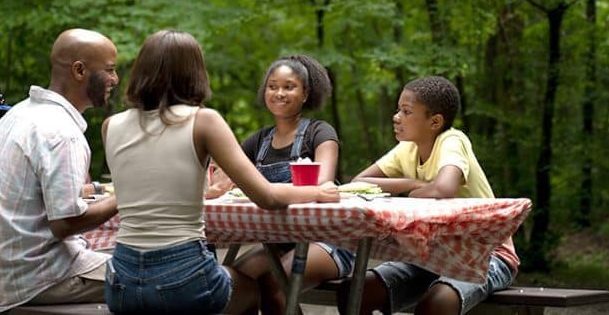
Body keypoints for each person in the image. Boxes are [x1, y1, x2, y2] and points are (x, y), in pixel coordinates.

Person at [102, 31, 339, 315]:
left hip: (121, 282)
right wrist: (317, 191)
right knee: (250, 289)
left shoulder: (110, 125)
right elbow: (268, 198)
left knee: (242, 275)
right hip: (182, 278)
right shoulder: (205, 121)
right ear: (194, 73)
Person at [337, 76, 519, 315]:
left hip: (487, 253)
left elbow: (444, 189)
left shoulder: (452, 140)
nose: (396, 117)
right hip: (434, 254)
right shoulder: (407, 148)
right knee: (356, 291)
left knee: (438, 303)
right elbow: (359, 183)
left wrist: (413, 189)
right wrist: (413, 183)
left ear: (434, 122)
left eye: (406, 111)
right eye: (398, 109)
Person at [0, 29, 120, 313]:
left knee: (124, 255)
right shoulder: (62, 133)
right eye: (110, 70)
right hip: (34, 280)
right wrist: (127, 195)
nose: (115, 79)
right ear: (79, 70)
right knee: (159, 280)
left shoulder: (18, 114)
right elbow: (64, 224)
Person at [227, 55, 355, 315]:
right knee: (233, 281)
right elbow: (224, 179)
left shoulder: (320, 132)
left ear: (305, 94)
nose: (279, 93)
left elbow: (322, 185)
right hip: (279, 242)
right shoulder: (258, 141)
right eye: (272, 86)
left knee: (276, 283)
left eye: (289, 87)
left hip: (328, 240)